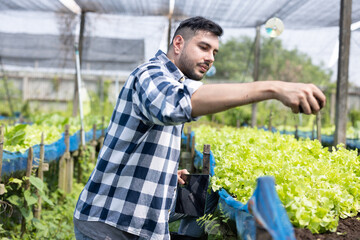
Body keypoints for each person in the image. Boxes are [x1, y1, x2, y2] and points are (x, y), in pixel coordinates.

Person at [73, 16, 326, 240]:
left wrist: (167, 174)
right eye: (204, 47)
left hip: (139, 218)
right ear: (179, 43)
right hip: (110, 222)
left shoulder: (173, 81)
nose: (210, 58)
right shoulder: (150, 74)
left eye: (215, 52)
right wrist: (272, 88)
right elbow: (173, 105)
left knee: (202, 199)